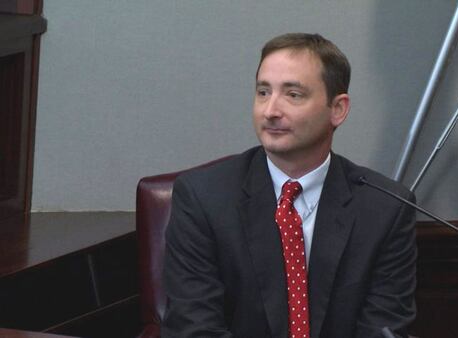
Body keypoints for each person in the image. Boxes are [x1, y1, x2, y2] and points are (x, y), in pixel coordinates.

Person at [162, 33, 417, 338]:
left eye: (293, 94)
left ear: (338, 109)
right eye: (263, 92)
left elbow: (384, 328)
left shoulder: (385, 208)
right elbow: (195, 329)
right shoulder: (203, 197)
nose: (270, 111)